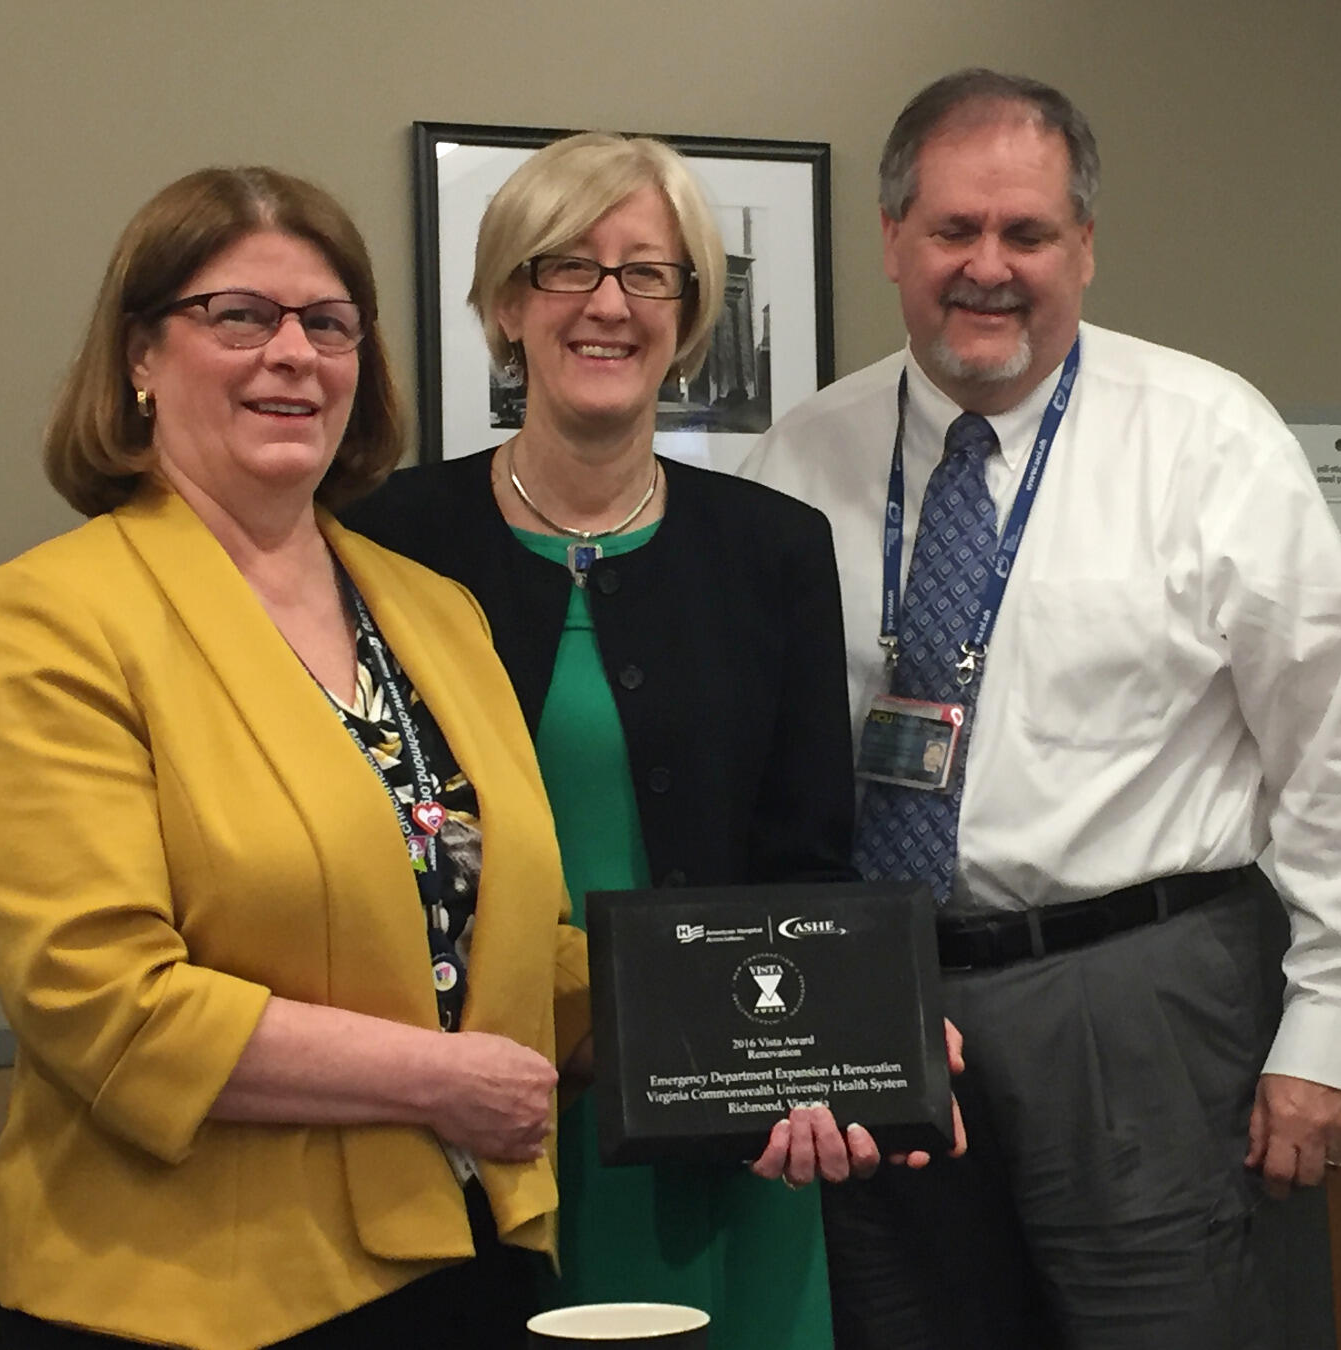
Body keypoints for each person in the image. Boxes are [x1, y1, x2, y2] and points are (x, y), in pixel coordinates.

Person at [741, 70, 1341, 1349]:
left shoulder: (1207, 436)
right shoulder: (801, 457)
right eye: (953, 231)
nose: (988, 268)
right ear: (892, 238)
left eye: (1028, 234)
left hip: (1146, 1003)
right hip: (897, 1011)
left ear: (1086, 248)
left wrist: (1335, 1028)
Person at [0, 166, 589, 1350]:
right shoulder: (55, 612)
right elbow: (103, 1001)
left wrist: (802, 1038)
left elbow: (507, 942)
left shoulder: (436, 612)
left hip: (469, 1265)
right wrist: (441, 1082)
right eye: (240, 316)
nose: (293, 353)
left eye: (330, 322)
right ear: (140, 356)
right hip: (182, 1299)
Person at [344, 131, 894, 1350]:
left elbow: (807, 860)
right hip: (460, 1142)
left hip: (725, 1135)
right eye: (566, 268)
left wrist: (822, 1057)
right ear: (502, 304)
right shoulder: (385, 541)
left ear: (690, 313)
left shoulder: (775, 549)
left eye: (649, 273)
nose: (609, 304)